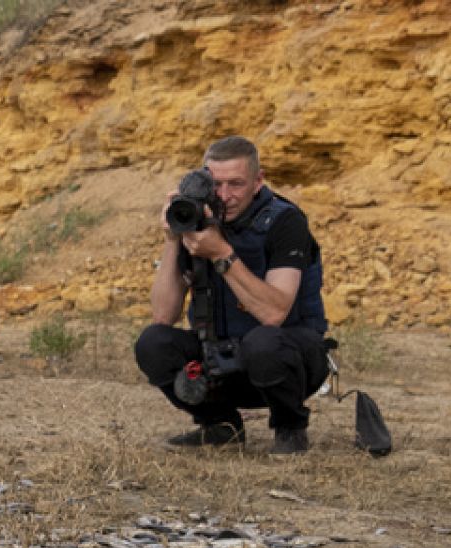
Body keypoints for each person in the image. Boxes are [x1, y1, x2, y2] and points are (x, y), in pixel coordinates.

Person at [134, 136, 329, 455]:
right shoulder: (199, 222)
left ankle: (290, 427)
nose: (225, 196)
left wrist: (221, 253)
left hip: (287, 361)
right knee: (153, 343)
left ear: (258, 181)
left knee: (263, 342)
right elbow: (164, 315)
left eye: (236, 184)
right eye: (217, 184)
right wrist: (173, 238)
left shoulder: (285, 221)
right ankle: (220, 426)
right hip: (221, 361)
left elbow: (274, 313)